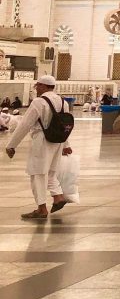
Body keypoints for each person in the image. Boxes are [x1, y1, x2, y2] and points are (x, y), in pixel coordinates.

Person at [4, 76, 71, 220]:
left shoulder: (39, 102)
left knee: (37, 174)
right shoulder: (63, 101)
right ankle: (58, 197)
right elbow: (63, 125)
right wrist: (66, 144)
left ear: (43, 86)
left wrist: (11, 145)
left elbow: (25, 125)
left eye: (37, 86)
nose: (36, 89)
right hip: (58, 141)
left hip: (42, 140)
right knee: (51, 172)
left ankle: (41, 209)